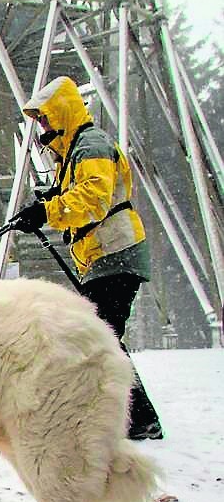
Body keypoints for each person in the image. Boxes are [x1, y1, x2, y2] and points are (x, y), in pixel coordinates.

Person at [13, 75, 163, 441]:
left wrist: (48, 212)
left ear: (62, 111)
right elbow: (76, 192)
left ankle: (137, 418)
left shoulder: (90, 145)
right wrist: (46, 201)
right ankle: (133, 416)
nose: (43, 126)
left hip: (117, 252)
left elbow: (93, 198)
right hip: (102, 256)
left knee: (100, 339)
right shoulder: (72, 152)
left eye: (46, 118)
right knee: (102, 337)